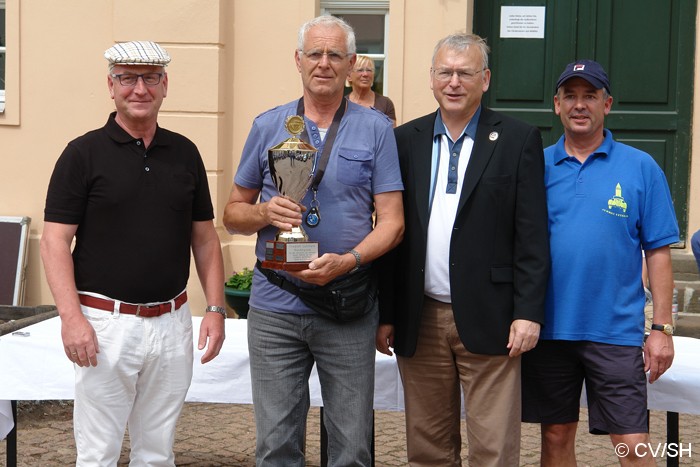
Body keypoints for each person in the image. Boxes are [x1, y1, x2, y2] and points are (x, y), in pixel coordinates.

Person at [222, 15, 404, 466]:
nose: (324, 63)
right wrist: (264, 212)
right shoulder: (269, 126)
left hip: (347, 306)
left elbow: (393, 223)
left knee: (352, 446)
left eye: (335, 55)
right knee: (276, 445)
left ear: (350, 65)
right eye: (316, 54)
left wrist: (350, 260)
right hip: (275, 310)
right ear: (299, 61)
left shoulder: (377, 129)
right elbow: (232, 214)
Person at [40, 40, 226, 466]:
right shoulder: (82, 154)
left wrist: (215, 307)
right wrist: (72, 320)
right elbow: (54, 242)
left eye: (150, 78)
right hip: (104, 326)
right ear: (111, 86)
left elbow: (205, 238)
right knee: (98, 454)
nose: (139, 88)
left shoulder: (185, 153)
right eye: (127, 78)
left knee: (158, 453)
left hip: (172, 323)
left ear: (165, 86)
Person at [375, 33, 550, 466]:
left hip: (494, 318)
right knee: (428, 448)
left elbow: (532, 234)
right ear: (432, 79)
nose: (454, 82)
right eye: (445, 72)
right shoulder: (404, 140)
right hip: (422, 318)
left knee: (493, 449)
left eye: (465, 73)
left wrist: (528, 312)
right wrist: (388, 314)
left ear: (485, 79)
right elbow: (392, 234)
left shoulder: (517, 139)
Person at [521, 60, 679, 466]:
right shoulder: (534, 166)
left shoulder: (641, 167)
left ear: (606, 104)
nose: (579, 105)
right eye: (570, 96)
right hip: (550, 328)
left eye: (589, 96)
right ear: (556, 105)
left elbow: (658, 251)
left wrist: (661, 328)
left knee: (632, 443)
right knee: (555, 437)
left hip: (616, 331)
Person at [347, 54, 397, 125]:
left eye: (369, 70)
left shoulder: (385, 104)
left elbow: (391, 133)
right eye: (360, 70)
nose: (365, 74)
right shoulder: (342, 104)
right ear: (349, 76)